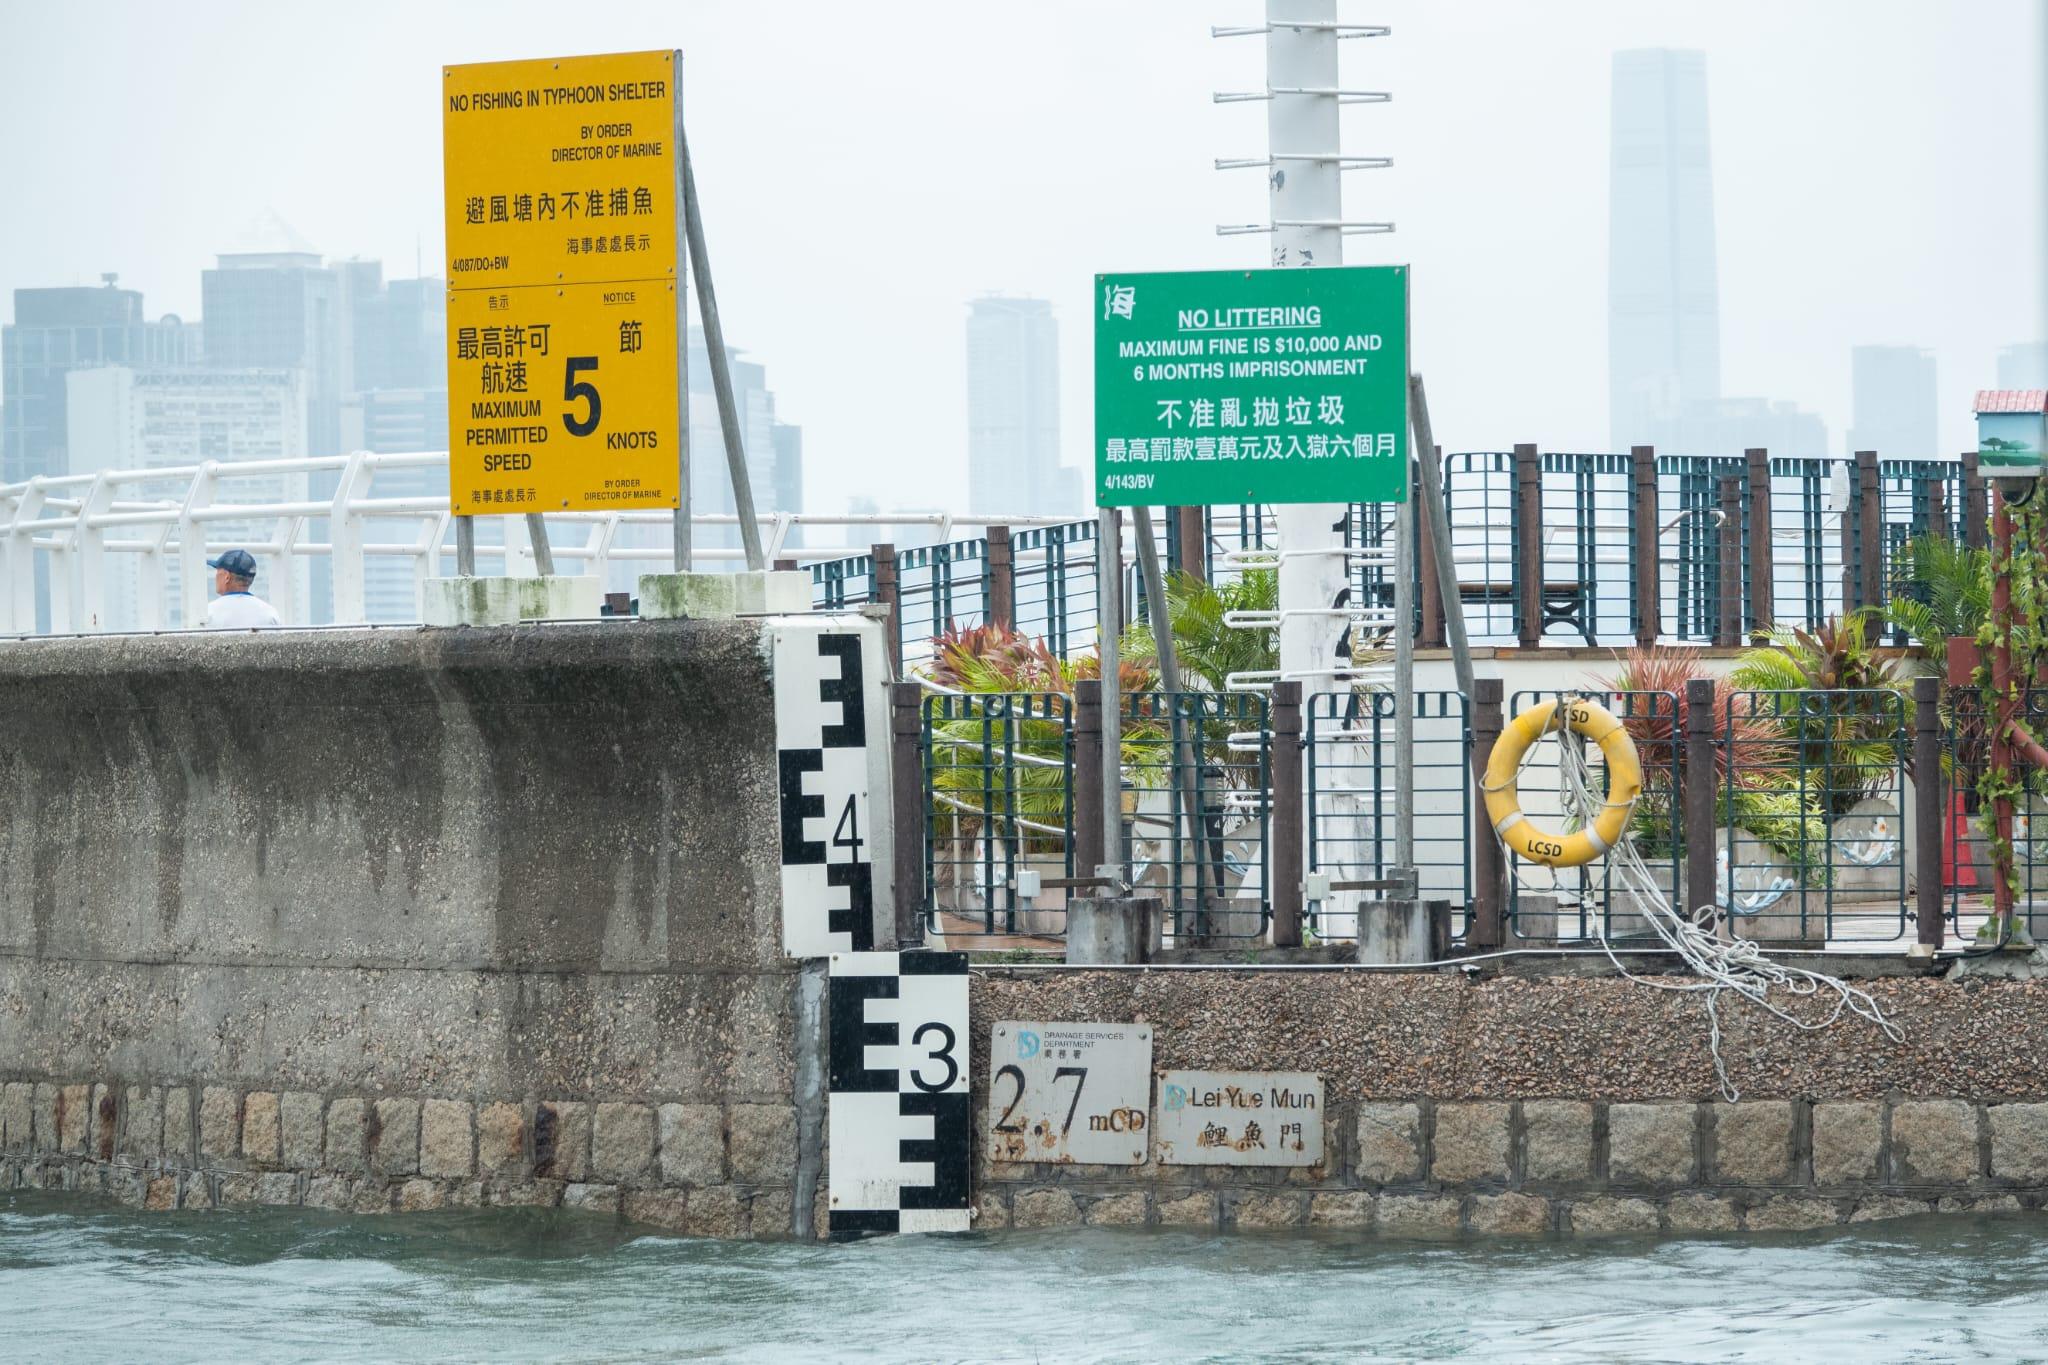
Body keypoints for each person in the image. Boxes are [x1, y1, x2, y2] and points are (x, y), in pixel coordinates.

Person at [203, 549, 281, 629]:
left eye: (217, 572)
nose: (215, 577)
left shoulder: (208, 614)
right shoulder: (270, 613)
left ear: (227, 577)